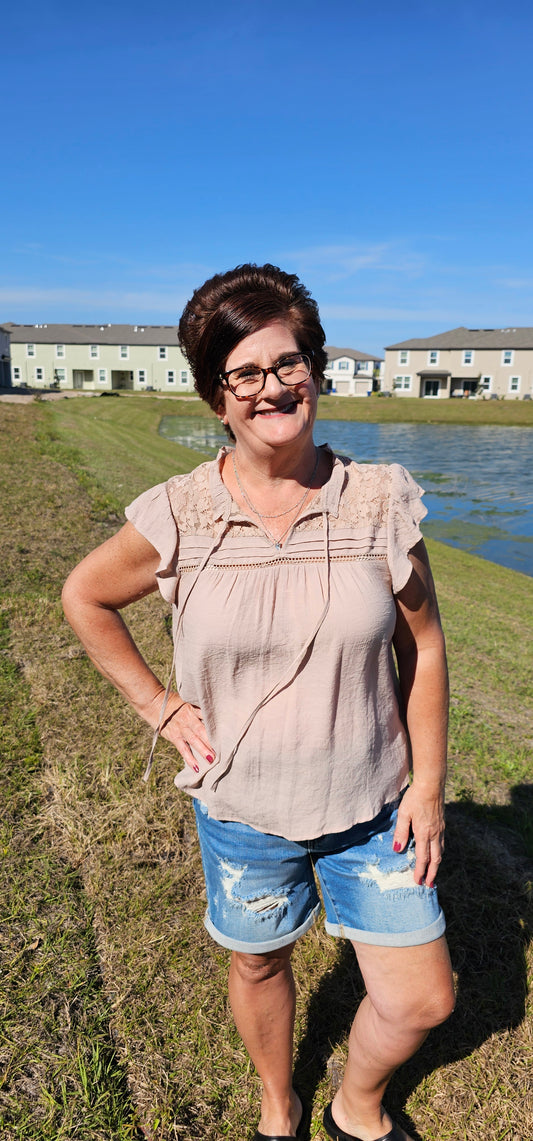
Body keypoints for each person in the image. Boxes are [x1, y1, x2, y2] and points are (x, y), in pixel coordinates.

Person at [62, 264, 455, 1141]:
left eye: (289, 362)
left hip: (374, 804)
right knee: (258, 962)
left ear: (313, 367)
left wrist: (427, 786)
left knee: (423, 998)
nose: (272, 387)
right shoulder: (181, 515)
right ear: (216, 397)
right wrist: (162, 708)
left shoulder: (380, 501)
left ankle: (356, 1105)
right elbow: (83, 597)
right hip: (242, 809)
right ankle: (279, 1105)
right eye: (245, 373)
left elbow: (422, 647)